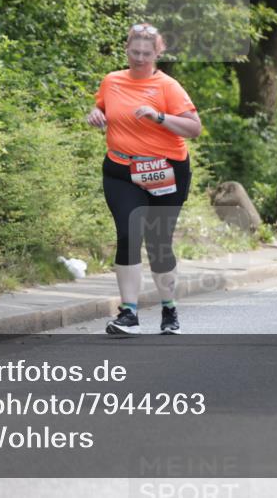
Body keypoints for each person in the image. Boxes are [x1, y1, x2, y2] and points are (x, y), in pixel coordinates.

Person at [87, 23, 201, 335]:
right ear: (126, 50)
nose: (139, 58)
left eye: (146, 54)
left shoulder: (168, 87)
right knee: (128, 233)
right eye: (134, 52)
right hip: (121, 170)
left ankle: (169, 309)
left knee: (159, 244)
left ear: (158, 53)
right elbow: (102, 110)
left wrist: (158, 116)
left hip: (166, 170)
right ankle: (129, 314)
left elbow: (194, 128)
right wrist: (96, 116)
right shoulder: (112, 81)